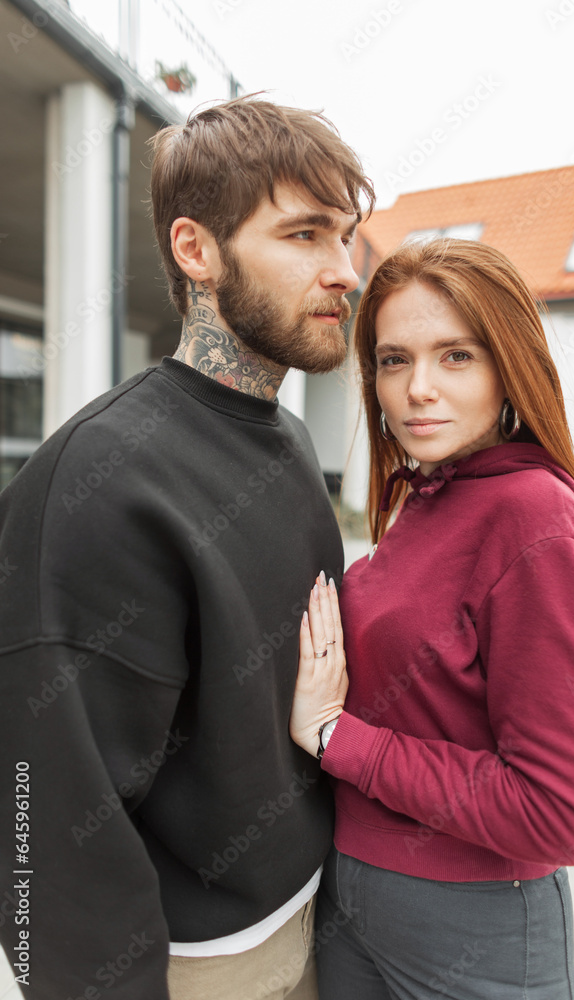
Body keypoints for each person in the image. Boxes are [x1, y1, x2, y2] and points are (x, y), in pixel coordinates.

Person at [0, 96, 374, 1000]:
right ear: (195, 249)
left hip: (315, 918)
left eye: (345, 237)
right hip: (200, 967)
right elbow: (42, 814)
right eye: (304, 235)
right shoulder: (100, 482)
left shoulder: (286, 440)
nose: (344, 271)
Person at [290, 238, 574, 1000]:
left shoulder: (533, 515)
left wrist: (337, 739)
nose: (417, 389)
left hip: (474, 927)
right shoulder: (433, 490)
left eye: (455, 356)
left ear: (507, 367)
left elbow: (559, 812)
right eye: (393, 360)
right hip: (353, 904)